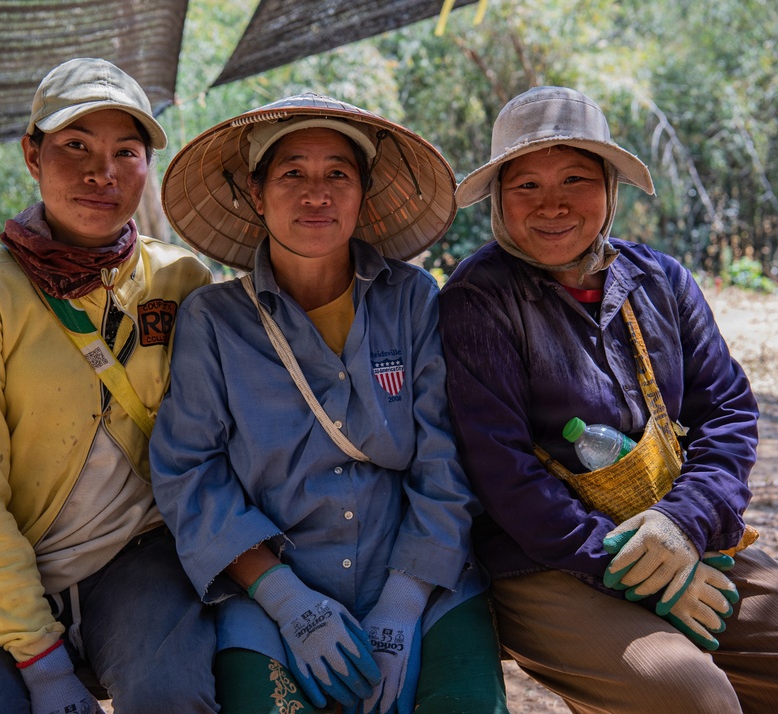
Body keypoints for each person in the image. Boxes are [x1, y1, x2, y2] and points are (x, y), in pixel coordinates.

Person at [440, 85, 778, 713]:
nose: (553, 205)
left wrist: (683, 523)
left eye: (576, 180)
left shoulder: (661, 279)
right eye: (526, 186)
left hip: (680, 531)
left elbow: (728, 411)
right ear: (499, 200)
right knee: (689, 698)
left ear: (610, 190)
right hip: (543, 559)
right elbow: (500, 470)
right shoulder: (477, 299)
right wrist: (630, 567)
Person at [150, 93, 509, 714]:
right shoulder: (213, 320)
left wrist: (403, 599)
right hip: (271, 593)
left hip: (422, 579)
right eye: (292, 173)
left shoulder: (413, 300)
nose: (316, 193)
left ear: (361, 195)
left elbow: (444, 457)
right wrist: (286, 598)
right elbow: (191, 473)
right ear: (257, 195)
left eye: (336, 174)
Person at [0, 57, 218, 713]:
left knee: (176, 698)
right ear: (32, 154)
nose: (101, 173)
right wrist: (43, 662)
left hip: (137, 556)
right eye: (75, 146)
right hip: (7, 570)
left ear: (147, 166)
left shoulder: (181, 281)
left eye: (126, 151)